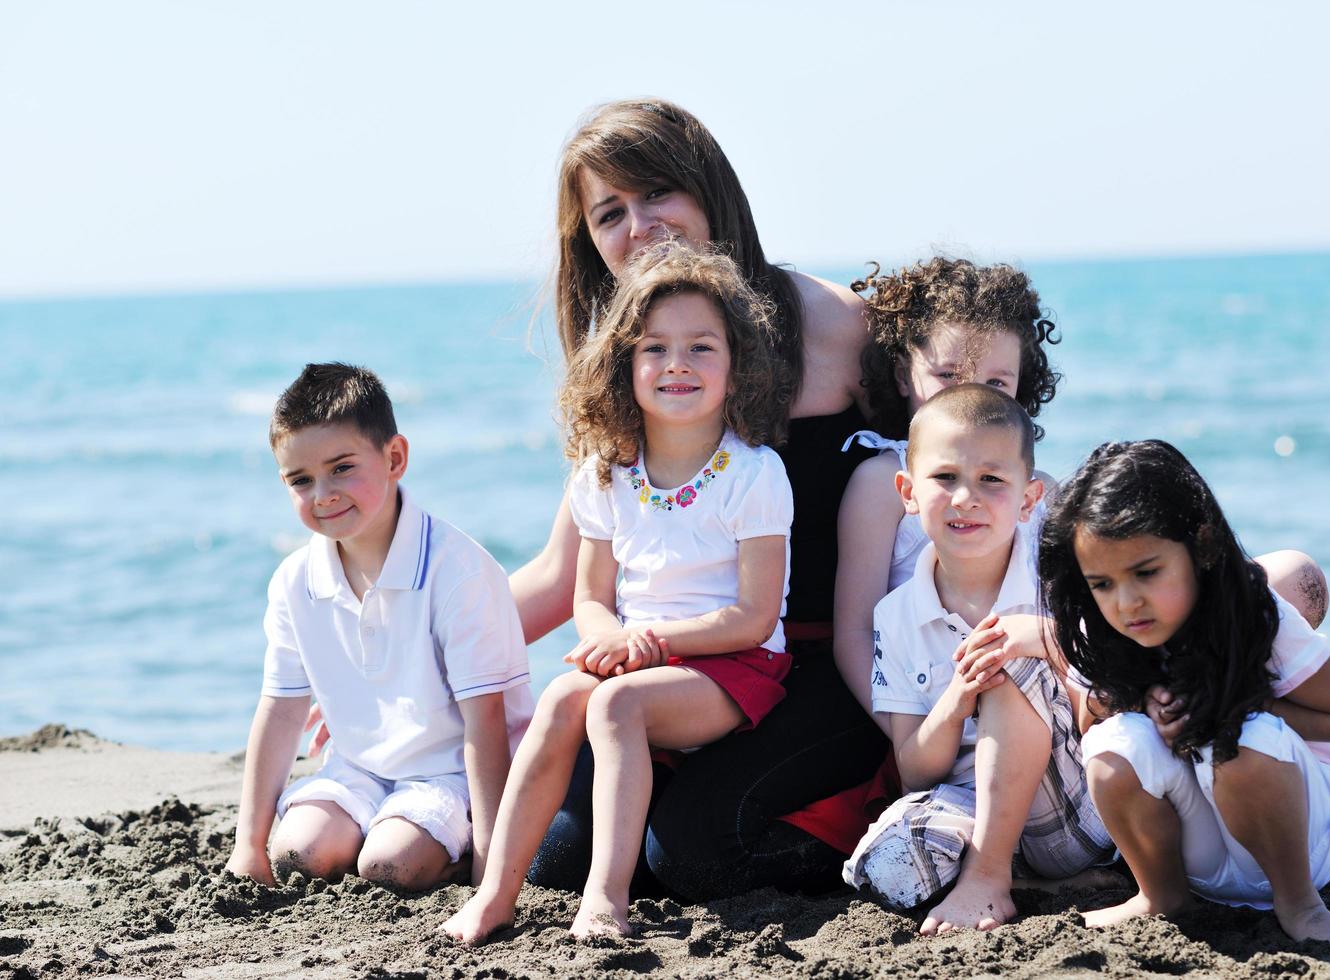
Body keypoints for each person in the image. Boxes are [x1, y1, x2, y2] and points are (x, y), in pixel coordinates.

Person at [511, 98, 890, 900]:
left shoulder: (838, 327)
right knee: (556, 867)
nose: (639, 225)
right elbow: (562, 575)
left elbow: (967, 463)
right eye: (610, 213)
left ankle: (871, 825)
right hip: (672, 667)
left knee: (689, 857)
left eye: (657, 194)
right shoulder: (631, 377)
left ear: (709, 192)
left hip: (819, 664)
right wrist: (413, 667)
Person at [442, 245, 796, 943]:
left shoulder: (755, 474)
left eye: (701, 347)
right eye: (654, 348)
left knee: (617, 703)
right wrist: (608, 637)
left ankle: (606, 897)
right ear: (623, 364)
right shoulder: (605, 474)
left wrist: (653, 643)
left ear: (737, 364)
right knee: (561, 698)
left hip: (731, 665)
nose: (677, 364)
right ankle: (496, 891)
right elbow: (590, 597)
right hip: (639, 657)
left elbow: (756, 618)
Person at [1037, 440, 1330, 941]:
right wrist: (1140, 704)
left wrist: (1240, 704)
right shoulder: (1104, 628)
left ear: (1203, 544)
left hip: (1307, 835)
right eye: (1102, 583)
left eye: (1147, 573)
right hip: (1205, 859)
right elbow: (1091, 726)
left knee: (1240, 736)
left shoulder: (1255, 615)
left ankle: (1302, 906)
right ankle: (1161, 895)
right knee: (1113, 744)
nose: (1127, 602)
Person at [225, 363, 534, 892]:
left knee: (388, 867)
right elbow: (280, 709)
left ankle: (443, 853)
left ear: (395, 458)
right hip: (359, 768)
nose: (322, 493)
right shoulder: (295, 579)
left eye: (342, 468)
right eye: (300, 480)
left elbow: (486, 723)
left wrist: (491, 862)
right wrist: (247, 846)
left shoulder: (455, 569)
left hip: (450, 773)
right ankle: (370, 827)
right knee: (296, 852)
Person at [841, 384, 1114, 931]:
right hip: (966, 800)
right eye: (945, 478)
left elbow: (1114, 702)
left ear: (1030, 499)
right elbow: (916, 769)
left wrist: (1039, 640)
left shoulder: (1057, 584)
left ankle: (990, 876)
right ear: (908, 492)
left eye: (991, 480)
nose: (966, 497)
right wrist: (957, 698)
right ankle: (1021, 878)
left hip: (1071, 801)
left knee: (1008, 651)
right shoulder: (897, 616)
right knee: (888, 866)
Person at [833, 258, 1062, 726]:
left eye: (997, 382)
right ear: (902, 375)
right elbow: (855, 632)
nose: (972, 397)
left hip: (1031, 706)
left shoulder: (1046, 494)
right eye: (948, 375)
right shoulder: (883, 482)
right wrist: (905, 736)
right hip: (921, 707)